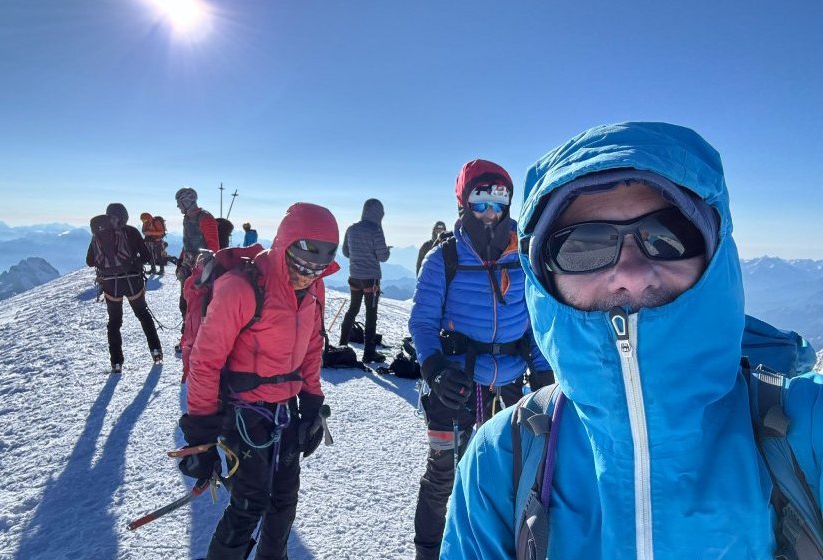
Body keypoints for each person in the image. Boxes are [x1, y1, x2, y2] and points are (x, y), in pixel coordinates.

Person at [442, 122, 823, 559]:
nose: (631, 272)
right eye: (583, 246)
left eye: (669, 236)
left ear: (715, 256)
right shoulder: (499, 460)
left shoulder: (809, 428)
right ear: (545, 279)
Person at [177, 202, 338, 560]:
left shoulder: (314, 289)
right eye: (301, 266)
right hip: (243, 412)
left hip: (286, 408)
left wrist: (312, 402)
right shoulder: (242, 287)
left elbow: (312, 347)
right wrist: (200, 435)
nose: (308, 275)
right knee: (249, 504)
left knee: (283, 502)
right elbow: (206, 362)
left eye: (318, 269)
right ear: (285, 247)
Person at [408, 160, 552, 560]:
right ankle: (429, 553)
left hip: (511, 384)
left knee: (514, 473)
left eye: (499, 200)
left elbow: (535, 321)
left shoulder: (523, 255)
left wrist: (544, 374)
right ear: (463, 203)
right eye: (480, 201)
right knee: (442, 474)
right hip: (454, 382)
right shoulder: (444, 259)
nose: (491, 211)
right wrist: (434, 370)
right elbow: (421, 321)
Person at [86, 203, 162, 372]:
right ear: (125, 216)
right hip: (133, 281)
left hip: (110, 285)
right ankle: (155, 351)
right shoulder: (131, 232)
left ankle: (116, 362)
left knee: (114, 322)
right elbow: (146, 257)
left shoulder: (97, 235)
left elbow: (90, 261)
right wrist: (132, 262)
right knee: (143, 315)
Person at [339, 198, 391, 363]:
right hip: (371, 279)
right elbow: (383, 257)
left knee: (352, 310)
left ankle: (342, 345)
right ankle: (369, 353)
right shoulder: (375, 230)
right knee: (371, 314)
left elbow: (346, 253)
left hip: (354, 276)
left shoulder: (351, 229)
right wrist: (383, 250)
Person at [175, 187, 219, 348]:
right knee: (185, 304)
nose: (178, 207)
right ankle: (187, 337)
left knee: (197, 305)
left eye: (179, 203)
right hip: (188, 268)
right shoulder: (188, 218)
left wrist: (206, 269)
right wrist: (181, 261)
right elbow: (187, 243)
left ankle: (198, 339)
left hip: (201, 270)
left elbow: (214, 246)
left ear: (187, 201)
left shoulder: (205, 218)